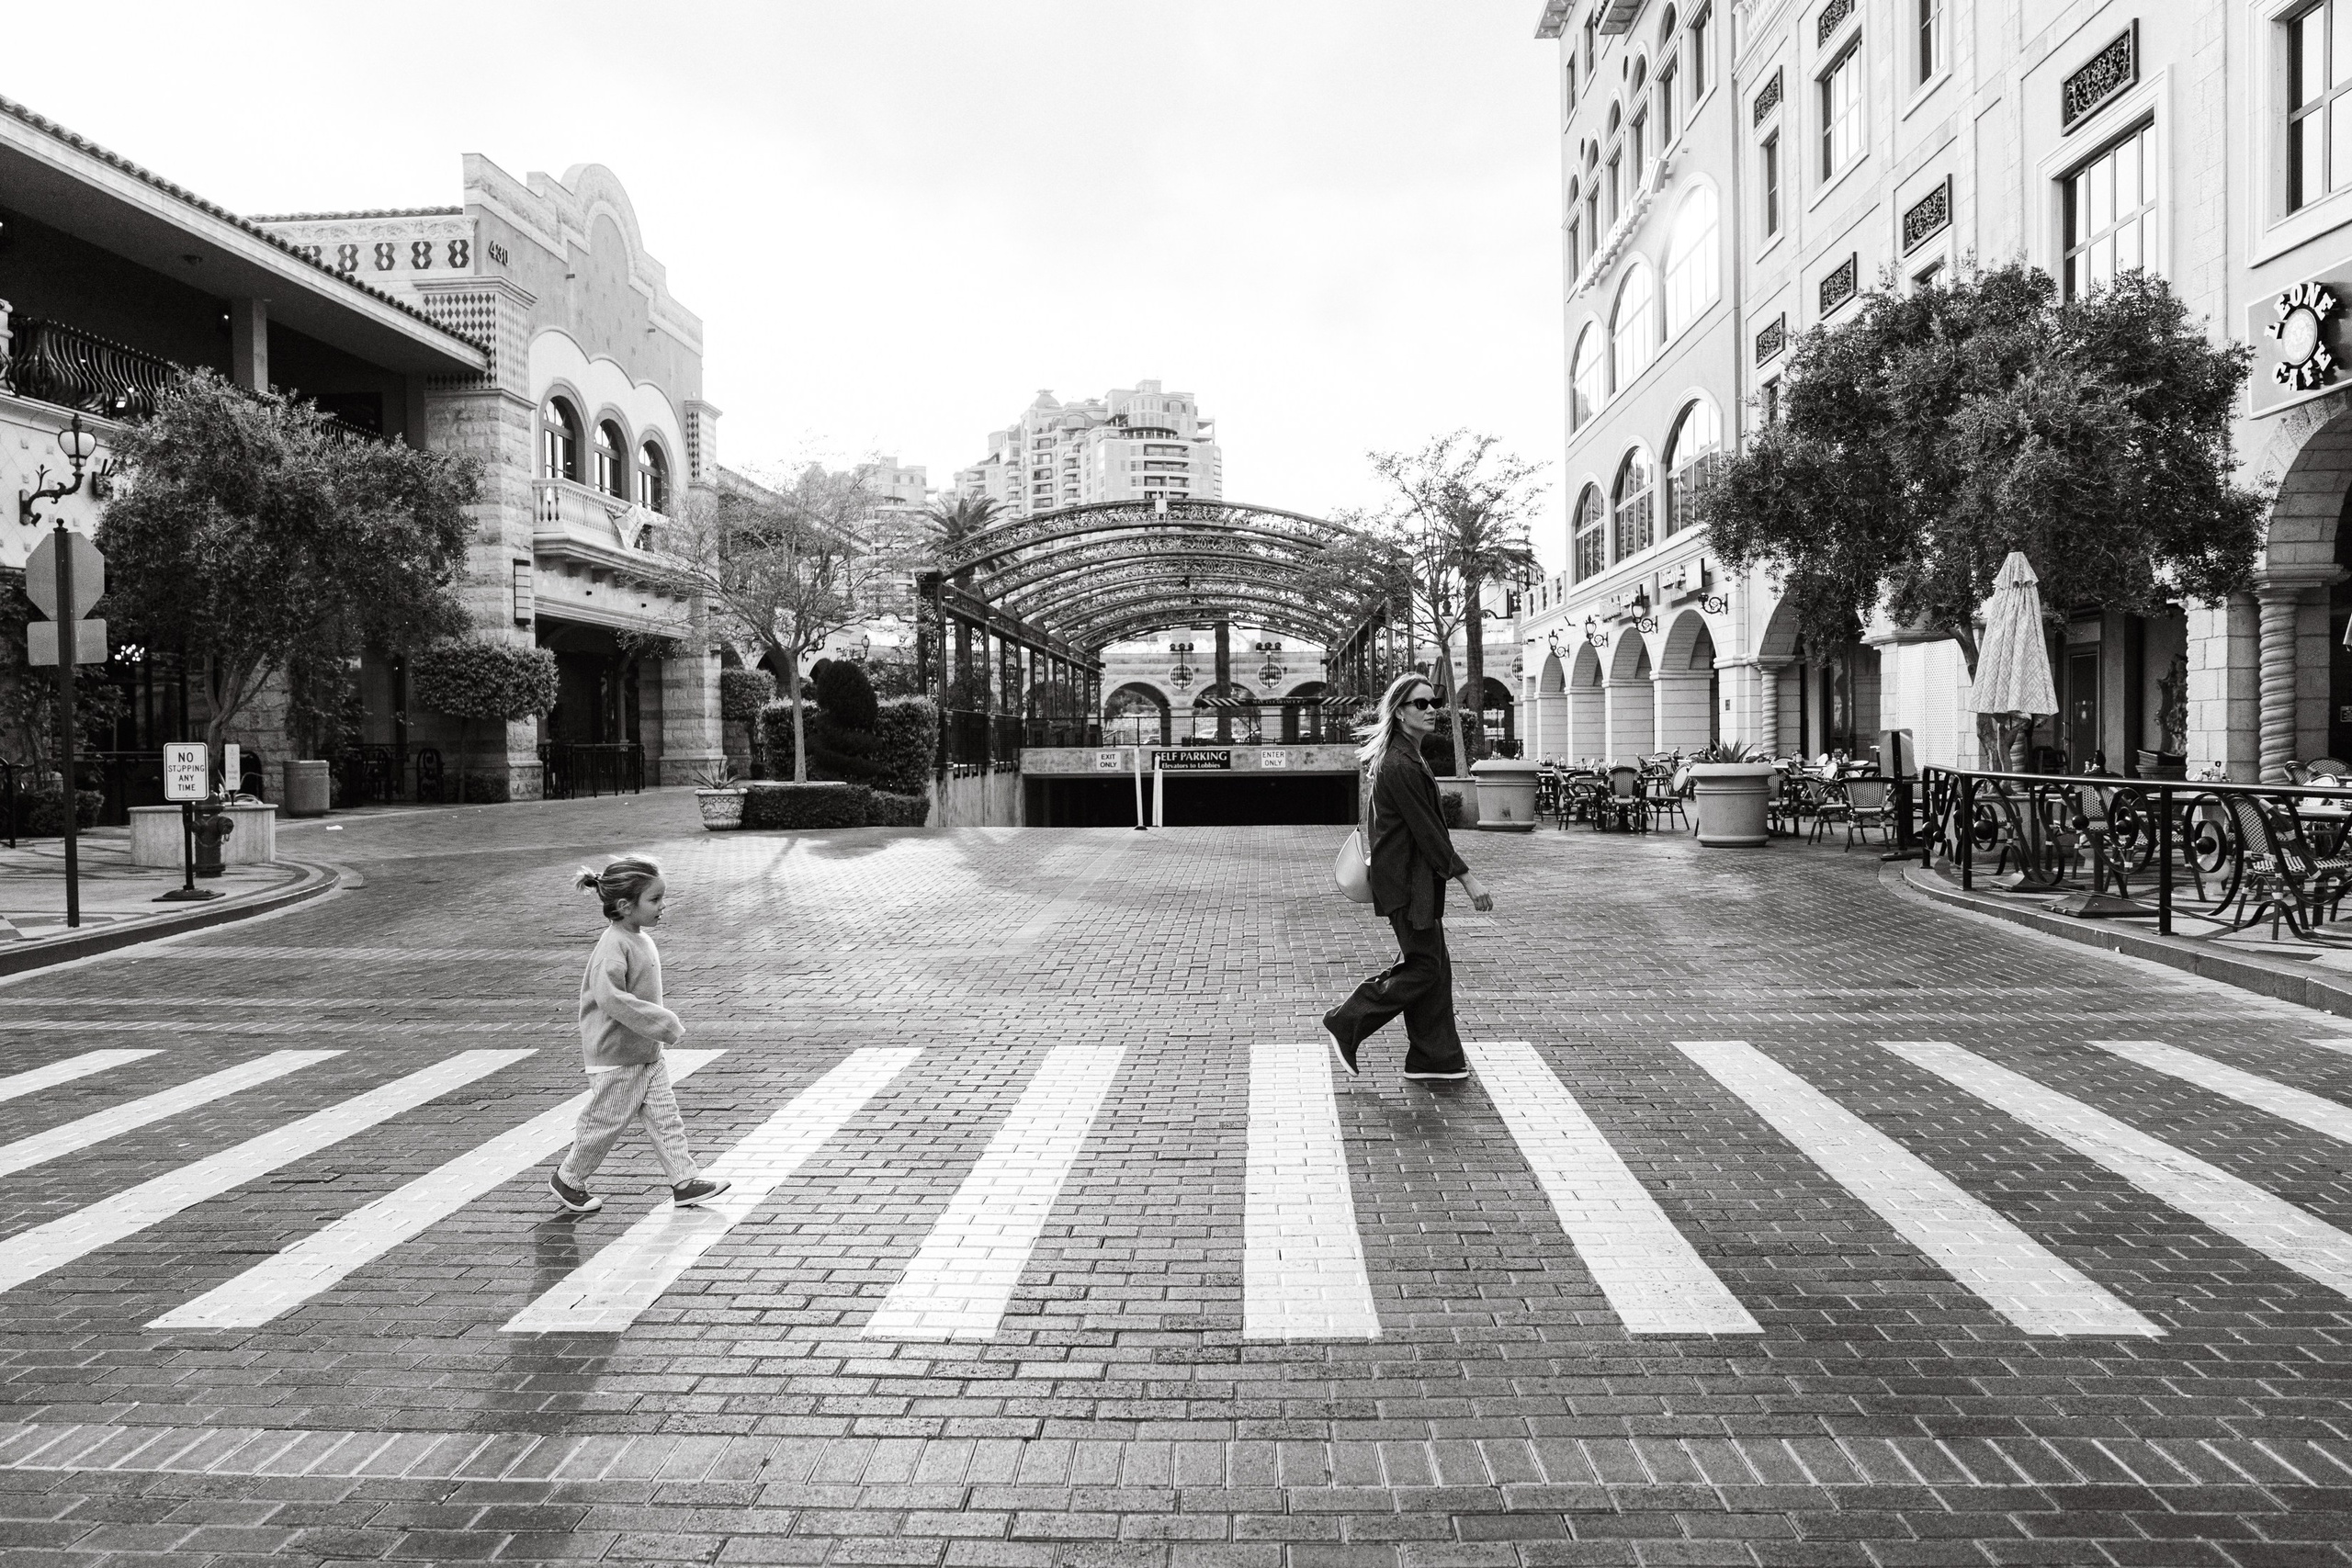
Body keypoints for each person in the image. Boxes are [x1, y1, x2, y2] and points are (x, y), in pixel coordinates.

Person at [1322, 673, 1495, 1082]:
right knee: (1424, 968)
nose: (1432, 710)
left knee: (1432, 966)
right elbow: (1427, 830)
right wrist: (1468, 879)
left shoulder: (1406, 756)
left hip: (1412, 879)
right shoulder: (1399, 763)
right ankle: (1348, 1021)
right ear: (1400, 712)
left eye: (1433, 702)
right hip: (1406, 881)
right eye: (1421, 704)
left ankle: (1435, 1059)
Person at [550, 855, 731, 1214]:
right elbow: (612, 999)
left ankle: (683, 1181)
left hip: (645, 1053)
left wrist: (654, 1035)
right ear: (624, 906)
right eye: (655, 899)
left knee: (666, 1118)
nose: (663, 906)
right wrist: (662, 1024)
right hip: (617, 1055)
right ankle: (569, 1178)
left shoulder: (638, 938)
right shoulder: (613, 946)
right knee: (605, 1123)